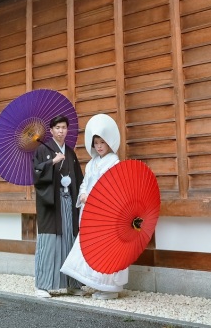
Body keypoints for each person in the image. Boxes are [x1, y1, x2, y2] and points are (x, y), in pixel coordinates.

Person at [60, 113, 127, 300]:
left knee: (106, 247)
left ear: (109, 143)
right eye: (96, 142)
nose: (99, 146)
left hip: (106, 212)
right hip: (89, 209)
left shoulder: (114, 162)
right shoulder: (91, 164)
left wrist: (93, 196)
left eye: (102, 142)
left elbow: (112, 187)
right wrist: (82, 193)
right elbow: (85, 183)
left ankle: (110, 288)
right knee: (91, 247)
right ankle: (98, 284)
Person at [31, 114, 84, 298]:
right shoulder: (42, 150)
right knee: (50, 242)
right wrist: (52, 162)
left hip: (69, 202)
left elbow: (79, 178)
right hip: (51, 204)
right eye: (57, 128)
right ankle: (42, 285)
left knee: (70, 240)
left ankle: (72, 283)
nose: (61, 131)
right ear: (51, 130)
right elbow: (36, 174)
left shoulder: (70, 153)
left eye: (64, 127)